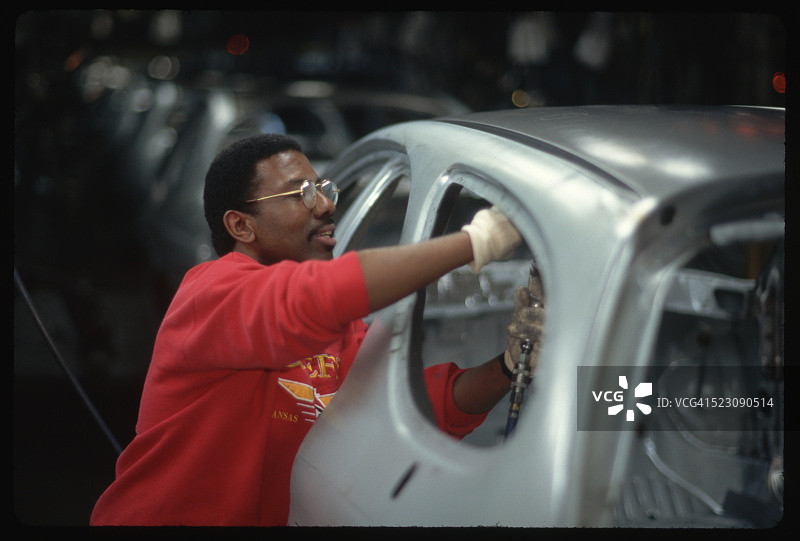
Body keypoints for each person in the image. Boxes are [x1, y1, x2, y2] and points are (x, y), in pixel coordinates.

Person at [90, 134, 543, 526]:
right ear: (240, 225)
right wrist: (476, 241)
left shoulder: (340, 333)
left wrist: (508, 365)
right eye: (301, 193)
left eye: (323, 188)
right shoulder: (209, 296)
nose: (326, 204)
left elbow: (423, 407)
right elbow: (314, 296)